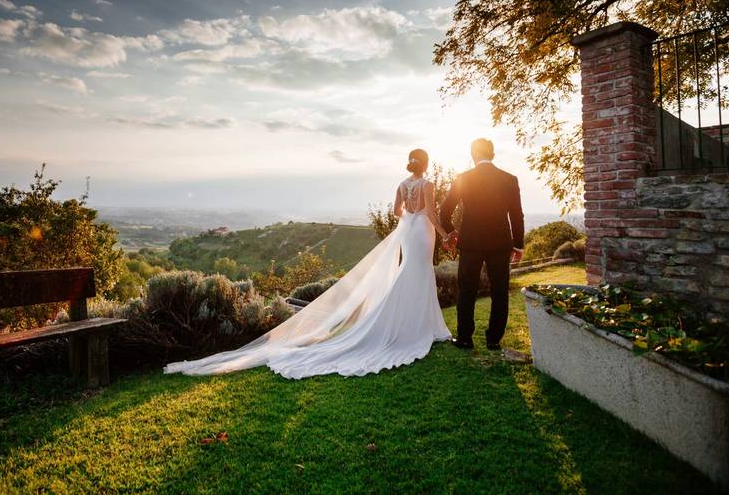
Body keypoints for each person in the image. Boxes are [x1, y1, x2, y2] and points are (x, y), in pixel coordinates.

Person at [164, 148, 452, 379]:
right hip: (422, 232)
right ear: (425, 164)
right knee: (420, 272)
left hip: (408, 232)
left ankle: (416, 324)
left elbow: (396, 211)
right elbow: (430, 213)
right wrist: (445, 234)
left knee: (410, 272)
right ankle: (423, 327)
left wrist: (408, 220)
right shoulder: (427, 184)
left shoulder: (402, 184)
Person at [440, 138, 524, 351]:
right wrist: (518, 245)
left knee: (467, 289)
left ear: (473, 155)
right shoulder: (509, 179)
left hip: (470, 242)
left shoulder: (463, 178)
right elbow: (517, 215)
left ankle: (465, 338)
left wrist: (452, 232)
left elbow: (444, 211)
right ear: (492, 154)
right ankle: (494, 339)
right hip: (500, 243)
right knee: (500, 291)